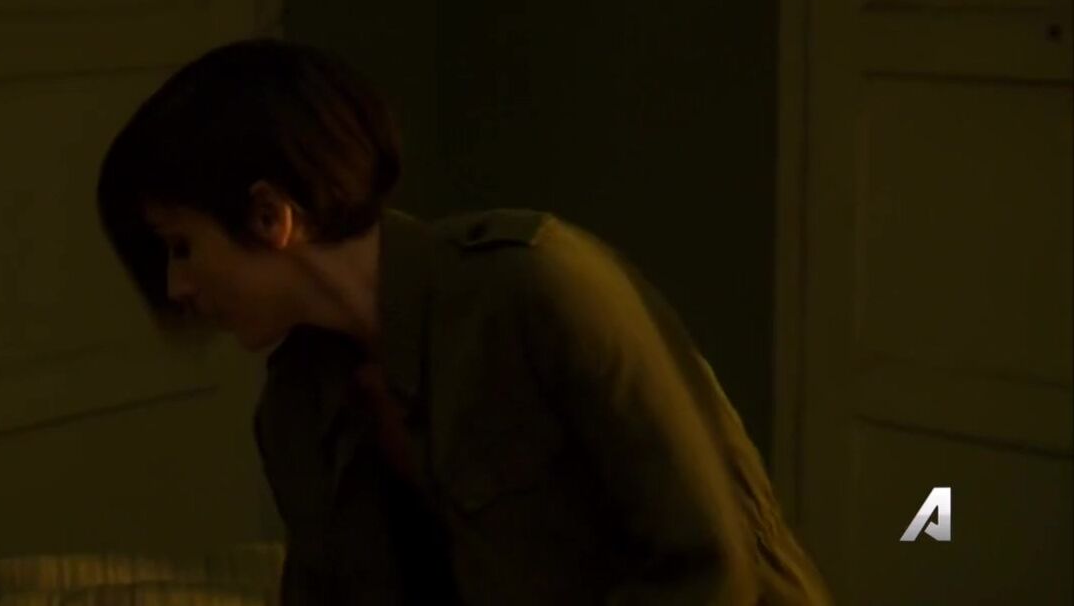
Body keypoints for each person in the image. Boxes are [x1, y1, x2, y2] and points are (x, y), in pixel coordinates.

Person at [96, 38, 834, 605]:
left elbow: (707, 569)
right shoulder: (295, 415)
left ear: (270, 216)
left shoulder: (537, 289)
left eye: (182, 247)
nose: (177, 287)